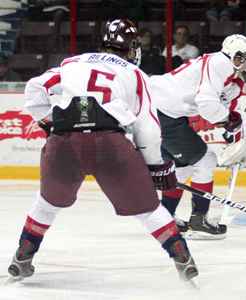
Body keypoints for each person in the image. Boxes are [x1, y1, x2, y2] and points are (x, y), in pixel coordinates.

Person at [7, 19, 198, 283]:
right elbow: (148, 127)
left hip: (64, 142)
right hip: (109, 144)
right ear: (130, 46)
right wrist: (156, 165)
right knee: (148, 210)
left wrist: (51, 122)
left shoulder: (72, 63)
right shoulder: (135, 74)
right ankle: (181, 257)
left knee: (46, 204)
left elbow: (34, 88)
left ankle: (22, 256)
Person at [150, 34, 246, 239]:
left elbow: (224, 113)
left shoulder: (227, 76)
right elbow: (208, 105)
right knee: (206, 160)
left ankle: (164, 218)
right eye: (239, 57)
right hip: (166, 114)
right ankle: (199, 220)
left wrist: (233, 130)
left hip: (161, 111)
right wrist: (229, 122)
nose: (242, 63)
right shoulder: (220, 63)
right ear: (229, 54)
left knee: (182, 167)